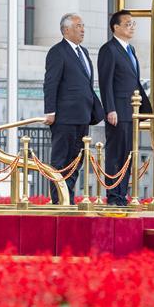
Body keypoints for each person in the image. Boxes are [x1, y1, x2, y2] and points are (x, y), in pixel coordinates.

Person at [43, 13, 103, 204]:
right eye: (78, 26)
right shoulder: (57, 52)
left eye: (83, 25)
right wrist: (50, 111)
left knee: (77, 160)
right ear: (66, 30)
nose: (82, 29)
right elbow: (51, 83)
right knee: (61, 160)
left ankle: (68, 197)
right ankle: (58, 200)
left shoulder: (83, 52)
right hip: (64, 117)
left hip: (83, 116)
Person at [98, 9, 153, 206]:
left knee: (128, 154)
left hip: (132, 111)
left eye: (133, 24)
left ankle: (122, 195)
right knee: (116, 155)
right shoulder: (109, 49)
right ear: (116, 27)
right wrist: (110, 109)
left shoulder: (131, 50)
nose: (132, 27)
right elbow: (106, 83)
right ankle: (114, 197)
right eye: (128, 24)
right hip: (118, 112)